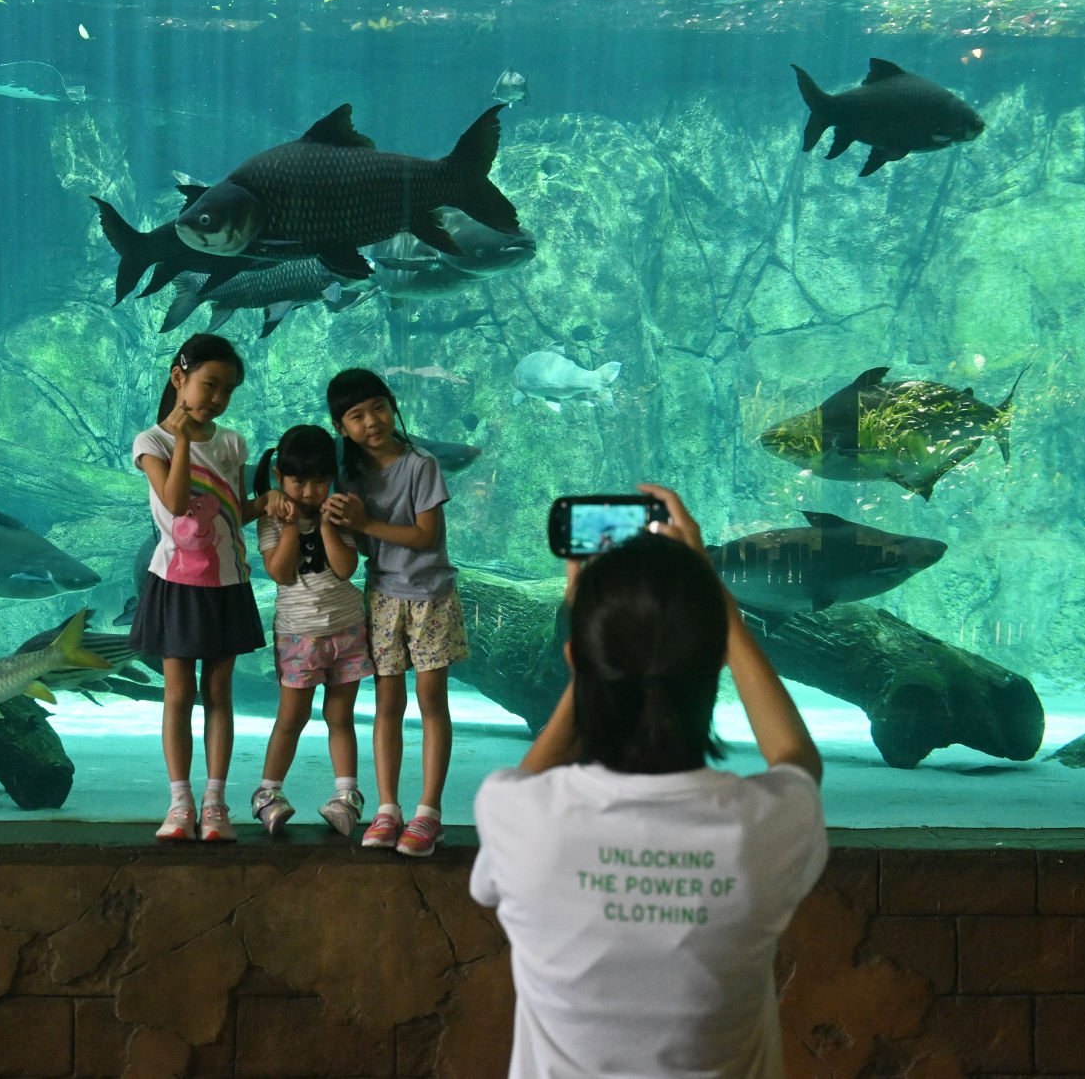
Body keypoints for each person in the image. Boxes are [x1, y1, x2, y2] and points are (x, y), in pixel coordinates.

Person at [469, 483, 826, 1079]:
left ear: (577, 662)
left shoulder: (520, 817)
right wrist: (720, 605)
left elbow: (522, 786)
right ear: (717, 658)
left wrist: (586, 628)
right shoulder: (760, 829)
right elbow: (796, 760)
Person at [130, 333, 272, 843]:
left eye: (227, 390)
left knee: (218, 692)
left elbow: (231, 515)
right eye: (209, 384)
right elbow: (173, 503)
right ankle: (180, 802)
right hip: (176, 584)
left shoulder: (233, 442)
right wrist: (185, 439)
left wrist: (270, 505)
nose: (217, 398)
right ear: (179, 377)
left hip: (228, 582)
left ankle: (215, 802)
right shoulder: (152, 442)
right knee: (178, 694)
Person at [324, 368, 465, 858]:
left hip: (430, 595)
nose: (372, 421)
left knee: (431, 701)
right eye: (356, 416)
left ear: (392, 405)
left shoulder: (420, 465)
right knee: (387, 703)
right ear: (341, 427)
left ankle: (428, 812)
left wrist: (367, 522)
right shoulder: (350, 476)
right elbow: (360, 544)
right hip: (383, 596)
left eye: (378, 407)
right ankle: (387, 808)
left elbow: (427, 537)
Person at [249, 425, 369, 838]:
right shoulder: (269, 521)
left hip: (348, 629)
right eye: (298, 481)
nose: (308, 491)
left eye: (319, 481)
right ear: (280, 475)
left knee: (340, 716)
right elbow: (280, 572)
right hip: (298, 635)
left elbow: (345, 567)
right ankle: (267, 793)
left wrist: (327, 525)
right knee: (291, 717)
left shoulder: (338, 513)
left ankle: (346, 796)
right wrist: (287, 526)